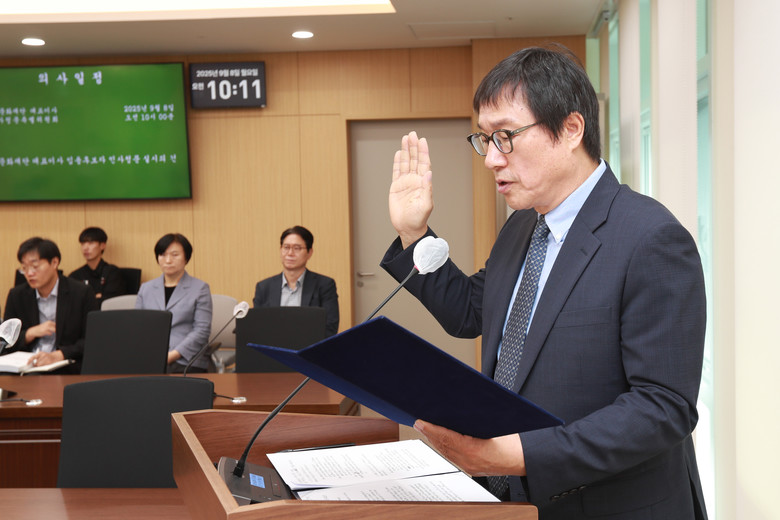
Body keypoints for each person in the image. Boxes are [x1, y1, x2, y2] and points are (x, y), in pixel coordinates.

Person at [380, 46, 707, 519]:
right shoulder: (523, 225)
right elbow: (472, 312)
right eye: (485, 139)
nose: (491, 159)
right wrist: (414, 233)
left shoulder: (651, 238)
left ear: (571, 129)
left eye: (505, 136)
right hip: (515, 502)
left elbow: (663, 407)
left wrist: (519, 456)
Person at [3, 237, 98, 373]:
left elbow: (92, 339)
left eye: (35, 266)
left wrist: (59, 355)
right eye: (24, 268)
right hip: (26, 367)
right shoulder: (16, 295)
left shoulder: (81, 293)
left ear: (54, 262)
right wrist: (29, 333)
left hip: (66, 366)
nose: (29, 273)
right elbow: (5, 341)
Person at [135, 233, 212, 373]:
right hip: (151, 356)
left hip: (187, 359)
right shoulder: (146, 288)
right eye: (162, 255)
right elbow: (138, 326)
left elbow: (202, 330)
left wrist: (171, 356)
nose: (168, 260)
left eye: (175, 255)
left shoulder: (200, 288)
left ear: (186, 258)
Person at [253, 226, 339, 336]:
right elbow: (258, 326)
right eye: (286, 247)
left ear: (309, 252)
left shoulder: (325, 285)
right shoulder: (264, 287)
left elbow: (330, 327)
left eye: (297, 248)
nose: (290, 253)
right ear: (280, 250)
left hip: (310, 345)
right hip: (272, 345)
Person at [68, 226, 127, 304]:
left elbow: (111, 302)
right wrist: (96, 297)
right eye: (83, 244)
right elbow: (71, 301)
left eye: (91, 243)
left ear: (102, 245)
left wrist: (88, 299)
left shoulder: (112, 273)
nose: (85, 248)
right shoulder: (75, 275)